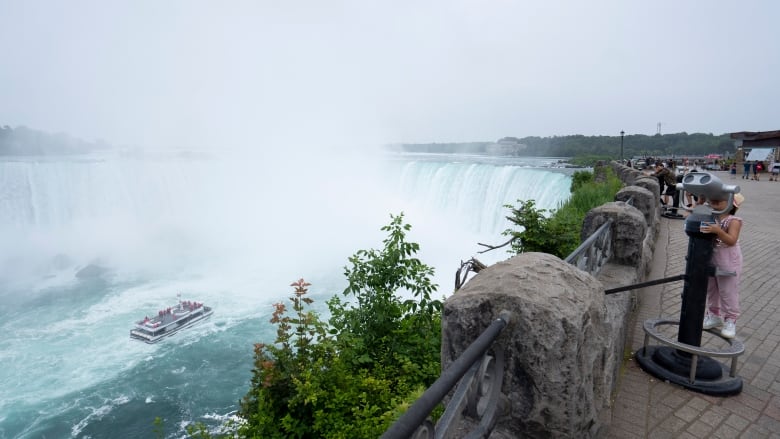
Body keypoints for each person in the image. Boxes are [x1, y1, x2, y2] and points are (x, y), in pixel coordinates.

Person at [701, 193, 745, 339]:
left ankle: (730, 320)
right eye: (714, 196)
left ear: (732, 204)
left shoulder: (734, 221)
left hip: (728, 261)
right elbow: (691, 217)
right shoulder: (711, 216)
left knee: (727, 291)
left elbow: (732, 240)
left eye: (721, 198)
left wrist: (718, 231)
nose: (715, 199)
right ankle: (714, 315)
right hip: (711, 259)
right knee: (711, 289)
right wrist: (700, 202)